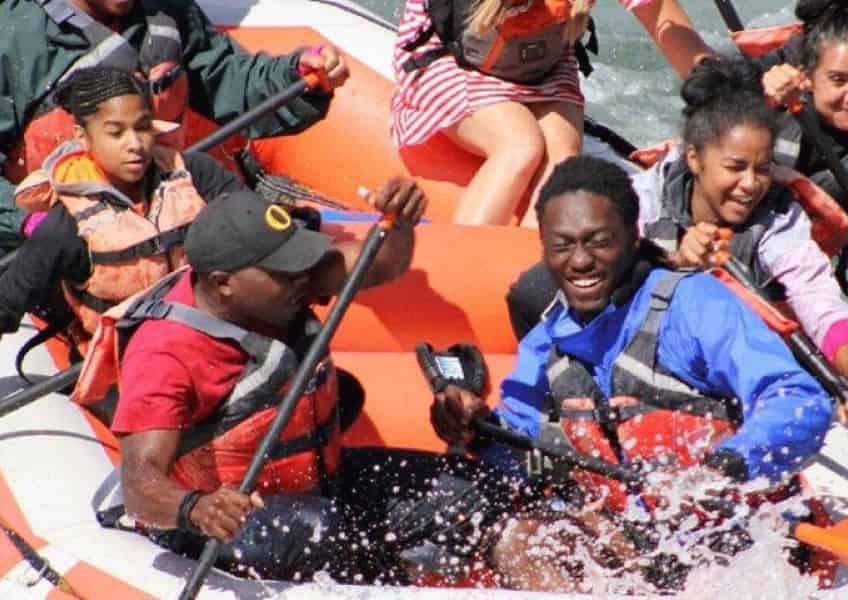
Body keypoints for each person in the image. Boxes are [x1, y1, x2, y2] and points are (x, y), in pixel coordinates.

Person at [98, 184, 615, 590]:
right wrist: (197, 508)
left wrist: (401, 223)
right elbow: (140, 485)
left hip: (322, 480)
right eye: (285, 271)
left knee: (482, 490)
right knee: (329, 532)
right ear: (222, 283)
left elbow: (382, 261)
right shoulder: (165, 353)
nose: (304, 278)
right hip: (226, 521)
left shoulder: (285, 284)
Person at [430, 155, 835, 586]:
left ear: (632, 236)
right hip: (640, 542)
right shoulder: (545, 342)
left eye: (599, 242)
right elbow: (519, 449)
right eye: (562, 245)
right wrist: (476, 429)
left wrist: (731, 465)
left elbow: (799, 399)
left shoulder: (694, 304)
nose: (579, 261)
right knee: (520, 541)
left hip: (742, 541)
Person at [505, 56, 848, 429]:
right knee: (531, 290)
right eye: (735, 167)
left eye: (762, 168)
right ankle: (556, 406)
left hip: (725, 356)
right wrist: (673, 262)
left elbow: (820, 302)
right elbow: (594, 265)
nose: (750, 184)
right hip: (630, 332)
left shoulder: (780, 218)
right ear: (694, 158)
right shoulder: (645, 194)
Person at [0, 0, 348, 252]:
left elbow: (227, 77)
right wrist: (30, 223)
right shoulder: (12, 35)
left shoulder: (168, 10)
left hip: (185, 219)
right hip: (76, 249)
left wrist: (295, 75)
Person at [390, 0, 710, 227]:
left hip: (542, 66)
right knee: (520, 146)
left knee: (562, 159)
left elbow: (668, 26)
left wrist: (722, 102)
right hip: (450, 57)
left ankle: (530, 275)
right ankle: (463, 264)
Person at [0, 66, 249, 356]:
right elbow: (7, 302)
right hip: (130, 362)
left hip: (214, 337)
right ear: (83, 137)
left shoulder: (195, 173)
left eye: (142, 127)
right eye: (115, 133)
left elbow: (253, 225)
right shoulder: (65, 227)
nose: (135, 145)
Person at [759, 0, 848, 240]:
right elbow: (702, 88)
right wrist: (760, 101)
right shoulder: (765, 82)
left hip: (804, 253)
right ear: (807, 75)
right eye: (838, 80)